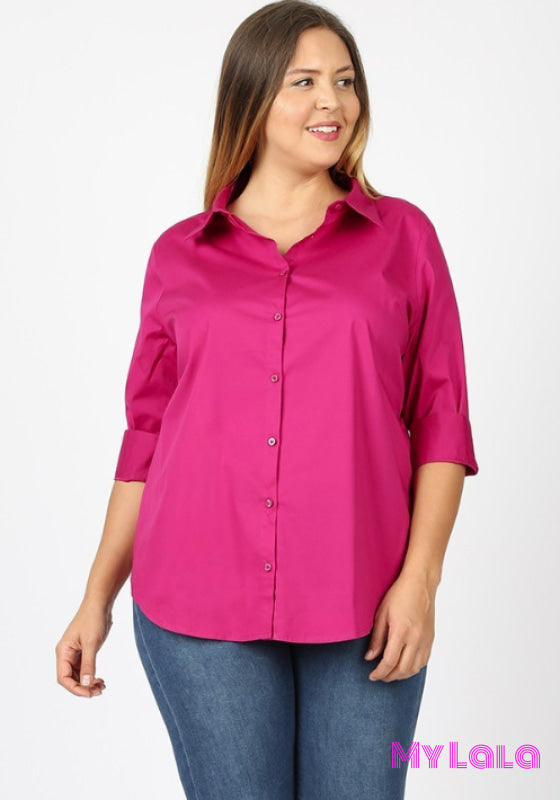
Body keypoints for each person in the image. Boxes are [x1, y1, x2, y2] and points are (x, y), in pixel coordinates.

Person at [55, 2, 479, 798]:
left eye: (345, 81)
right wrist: (95, 598)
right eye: (304, 82)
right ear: (251, 96)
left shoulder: (403, 238)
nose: (333, 102)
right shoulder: (179, 255)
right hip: (197, 600)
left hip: (364, 598)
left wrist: (420, 583)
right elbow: (147, 437)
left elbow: (443, 419)